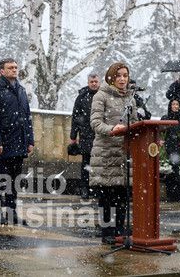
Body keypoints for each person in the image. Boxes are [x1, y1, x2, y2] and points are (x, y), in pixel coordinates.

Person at [90, 62, 138, 244]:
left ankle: (119, 232)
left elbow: (134, 123)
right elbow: (95, 123)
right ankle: (107, 233)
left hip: (124, 154)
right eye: (118, 75)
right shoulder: (100, 96)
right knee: (107, 197)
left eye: (125, 75)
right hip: (106, 153)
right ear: (111, 77)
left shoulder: (131, 99)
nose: (122, 79)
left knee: (122, 197)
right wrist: (112, 129)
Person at [0, 58, 34, 225]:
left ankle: (12, 213)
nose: (14, 70)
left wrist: (30, 140)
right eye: (10, 68)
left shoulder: (20, 89)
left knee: (14, 181)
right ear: (3, 71)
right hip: (3, 144)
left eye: (15, 67)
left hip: (19, 143)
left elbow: (27, 116)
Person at [70, 72, 100, 199]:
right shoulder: (82, 97)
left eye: (95, 82)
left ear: (99, 82)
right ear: (88, 83)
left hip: (100, 135)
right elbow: (75, 117)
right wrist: (73, 136)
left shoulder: (103, 95)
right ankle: (85, 188)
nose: (93, 84)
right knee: (86, 163)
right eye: (91, 82)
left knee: (99, 164)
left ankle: (98, 189)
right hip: (86, 135)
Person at [160, 100, 180, 202]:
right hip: (168, 148)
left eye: (177, 104)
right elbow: (159, 131)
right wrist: (160, 140)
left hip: (179, 148)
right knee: (169, 172)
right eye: (173, 104)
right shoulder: (165, 118)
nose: (175, 106)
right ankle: (170, 195)